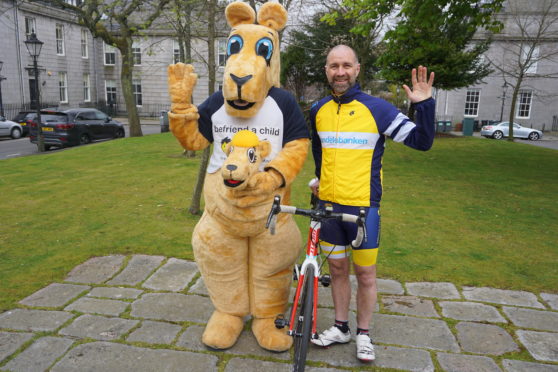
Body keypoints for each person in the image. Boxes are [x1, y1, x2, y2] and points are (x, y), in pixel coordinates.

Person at [308, 44, 435, 362]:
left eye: (346, 65)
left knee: (365, 274)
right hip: (328, 208)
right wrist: (318, 180)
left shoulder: (378, 109)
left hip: (364, 209)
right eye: (334, 66)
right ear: (326, 70)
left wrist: (424, 105)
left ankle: (364, 333)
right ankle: (341, 327)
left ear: (357, 68)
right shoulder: (318, 110)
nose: (340, 72)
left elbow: (422, 141)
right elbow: (320, 154)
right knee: (337, 269)